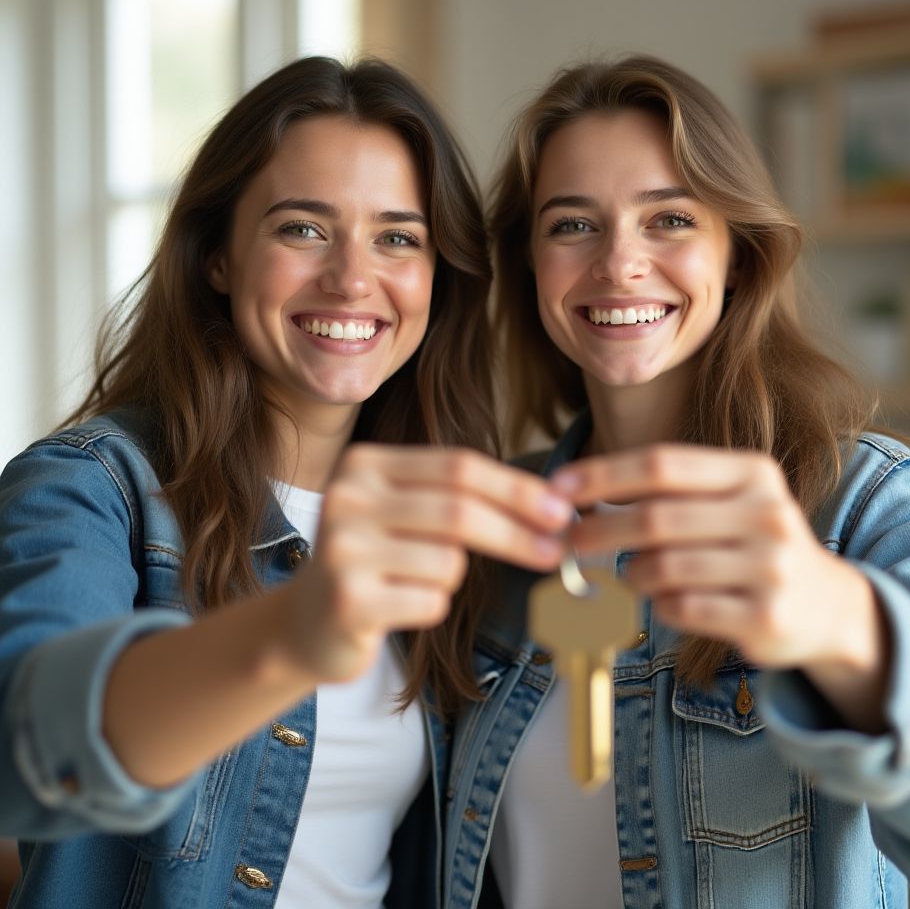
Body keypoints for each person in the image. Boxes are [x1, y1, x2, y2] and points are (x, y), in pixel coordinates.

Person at [442, 55, 910, 908]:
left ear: (740, 257)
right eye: (572, 225)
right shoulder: (497, 527)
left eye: (669, 219)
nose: (619, 263)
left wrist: (837, 617)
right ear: (529, 264)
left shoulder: (861, 500)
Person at [0, 55, 573, 908]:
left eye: (397, 237)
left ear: (438, 277)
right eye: (302, 228)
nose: (351, 278)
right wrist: (297, 631)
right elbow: (27, 745)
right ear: (219, 258)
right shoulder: (91, 488)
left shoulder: (453, 531)